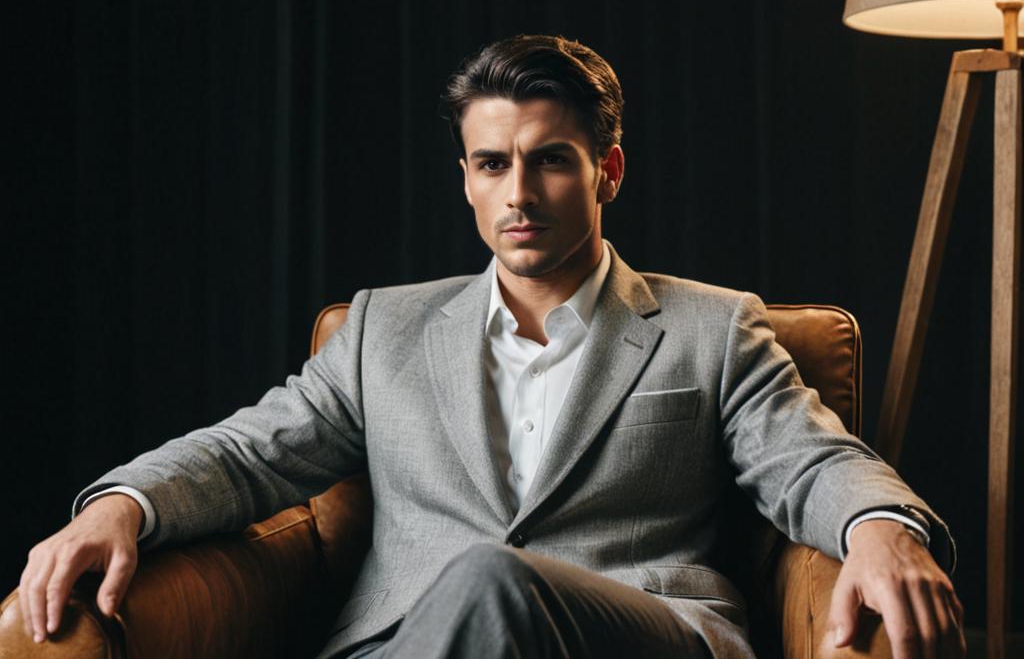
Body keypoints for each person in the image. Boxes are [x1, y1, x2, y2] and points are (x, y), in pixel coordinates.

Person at [19, 35, 964, 658]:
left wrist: (881, 527)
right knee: (472, 585)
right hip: (414, 642)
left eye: (551, 159)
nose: (520, 192)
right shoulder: (382, 330)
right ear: (465, 181)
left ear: (609, 171)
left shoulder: (713, 328)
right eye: (492, 163)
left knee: (489, 572)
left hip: (641, 634)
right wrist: (121, 506)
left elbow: (810, 457)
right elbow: (248, 451)